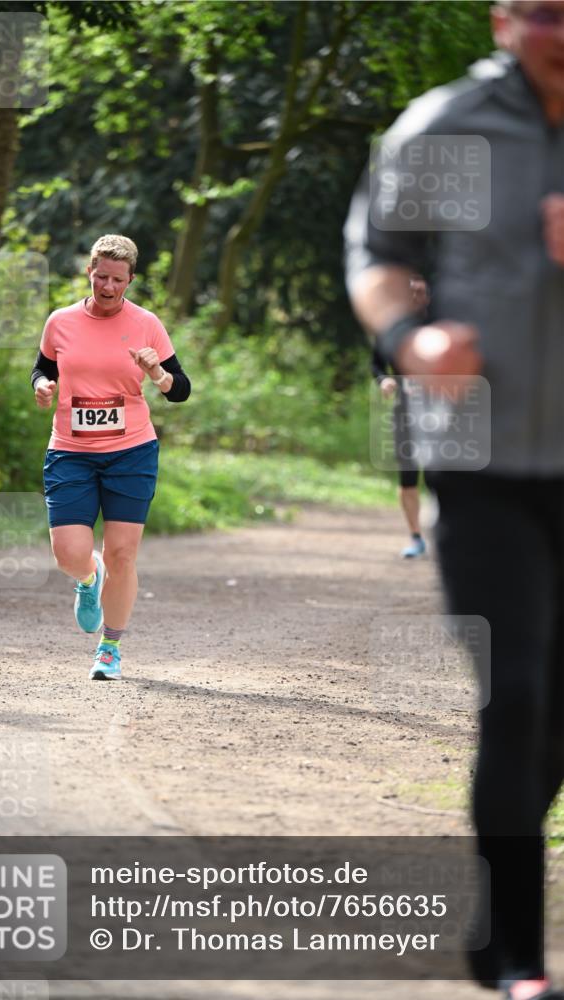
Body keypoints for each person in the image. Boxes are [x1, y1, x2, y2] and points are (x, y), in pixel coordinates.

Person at [345, 2, 563, 999]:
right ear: (504, 19)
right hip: (482, 454)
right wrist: (409, 339)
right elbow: (378, 253)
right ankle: (520, 960)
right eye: (546, 12)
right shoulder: (449, 125)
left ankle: (493, 903)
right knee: (511, 692)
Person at [31, 234, 191, 680]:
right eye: (101, 276)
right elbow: (43, 367)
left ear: (130, 280)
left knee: (122, 553)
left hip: (131, 452)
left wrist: (157, 373)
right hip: (71, 451)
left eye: (117, 280)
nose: (108, 286)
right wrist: (42, 386)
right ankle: (88, 577)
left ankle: (110, 648)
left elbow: (180, 389)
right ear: (89, 272)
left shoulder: (146, 324)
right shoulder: (61, 321)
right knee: (69, 553)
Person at [371, 275, 430, 558]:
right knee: (408, 475)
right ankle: (416, 537)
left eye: (421, 291)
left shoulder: (444, 324)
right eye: (411, 291)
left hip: (445, 412)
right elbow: (376, 364)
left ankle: (452, 534)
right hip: (405, 410)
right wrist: (383, 380)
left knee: (448, 474)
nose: (416, 296)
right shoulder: (392, 328)